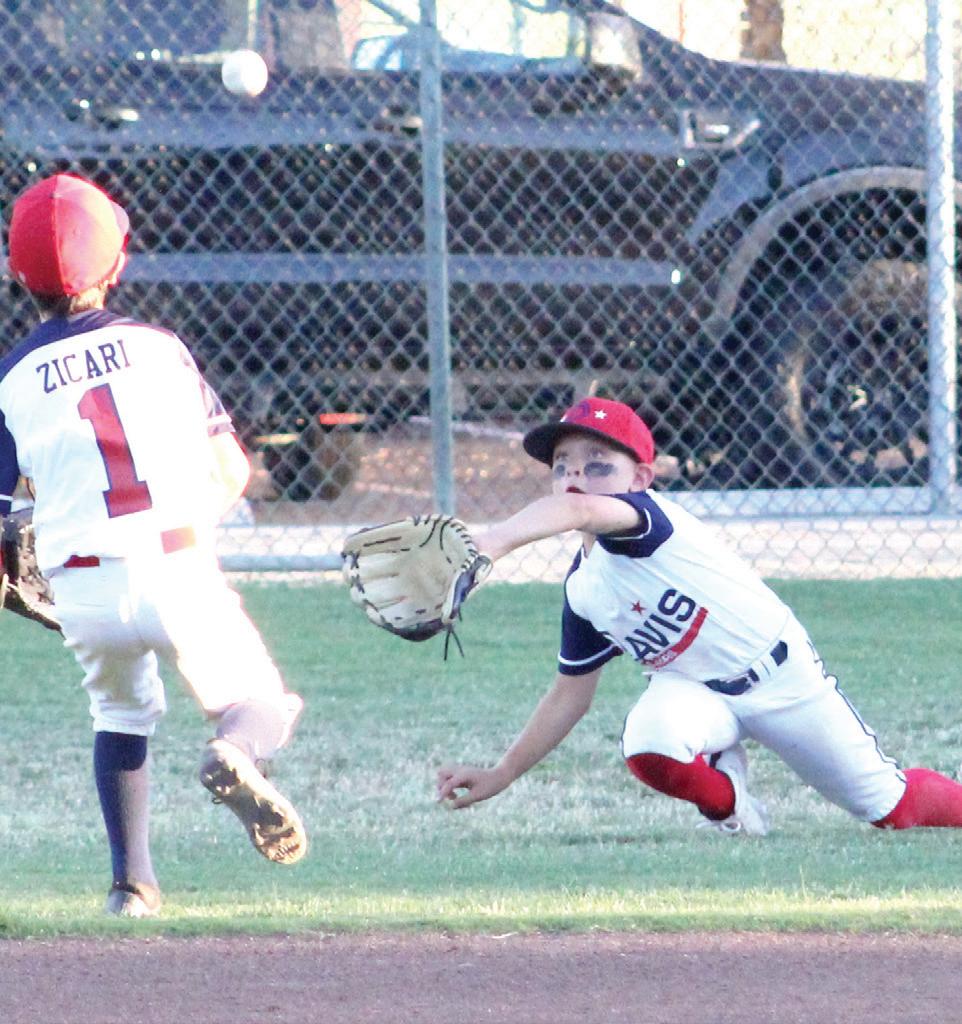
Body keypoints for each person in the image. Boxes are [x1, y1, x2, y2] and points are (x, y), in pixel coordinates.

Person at [437, 396, 962, 834]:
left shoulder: (651, 520)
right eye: (562, 465)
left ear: (641, 478)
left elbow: (579, 510)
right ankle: (729, 800)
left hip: (781, 679)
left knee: (895, 810)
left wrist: (488, 544)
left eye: (598, 463)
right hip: (693, 692)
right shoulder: (584, 589)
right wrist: (502, 773)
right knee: (649, 746)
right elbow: (569, 695)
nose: (576, 474)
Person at [0, 173, 307, 918]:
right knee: (261, 701)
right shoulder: (159, 348)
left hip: (80, 584)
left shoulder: (10, 380)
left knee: (119, 714)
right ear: (117, 262)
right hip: (173, 563)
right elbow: (230, 469)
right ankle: (234, 752)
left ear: (18, 275)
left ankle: (131, 888)